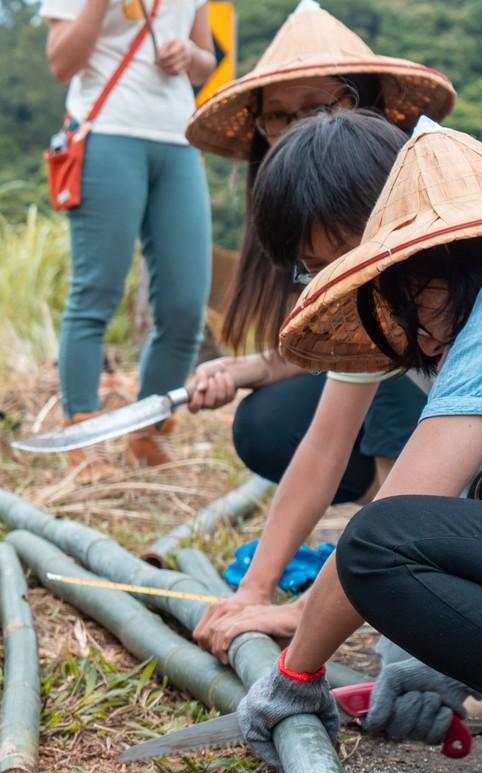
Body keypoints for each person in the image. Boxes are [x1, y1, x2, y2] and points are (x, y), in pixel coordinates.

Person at [229, 119, 482, 768]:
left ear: (441, 262)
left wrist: (295, 673)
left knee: (376, 541)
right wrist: (439, 656)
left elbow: (404, 511)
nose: (423, 341)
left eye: (408, 302)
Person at [183, 0, 453, 501]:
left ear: (365, 102)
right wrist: (253, 367)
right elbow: (330, 342)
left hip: (459, 401)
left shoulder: (423, 192)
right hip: (392, 382)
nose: (298, 127)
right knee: (266, 422)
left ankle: (407, 504)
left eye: (320, 107)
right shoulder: (293, 209)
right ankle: (390, 504)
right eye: (278, 116)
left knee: (381, 343)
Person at [193, 110, 417, 656]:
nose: (336, 283)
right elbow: (322, 447)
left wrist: (302, 615)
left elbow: (418, 495)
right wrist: (254, 591)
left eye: (346, 257)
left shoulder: (477, 305)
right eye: (315, 269)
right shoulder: (372, 305)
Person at [41, 0, 216, 474]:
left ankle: (150, 433)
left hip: (179, 139)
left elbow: (206, 62)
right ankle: (82, 434)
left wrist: (189, 56)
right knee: (95, 293)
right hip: (106, 132)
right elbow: (61, 63)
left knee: (185, 305)